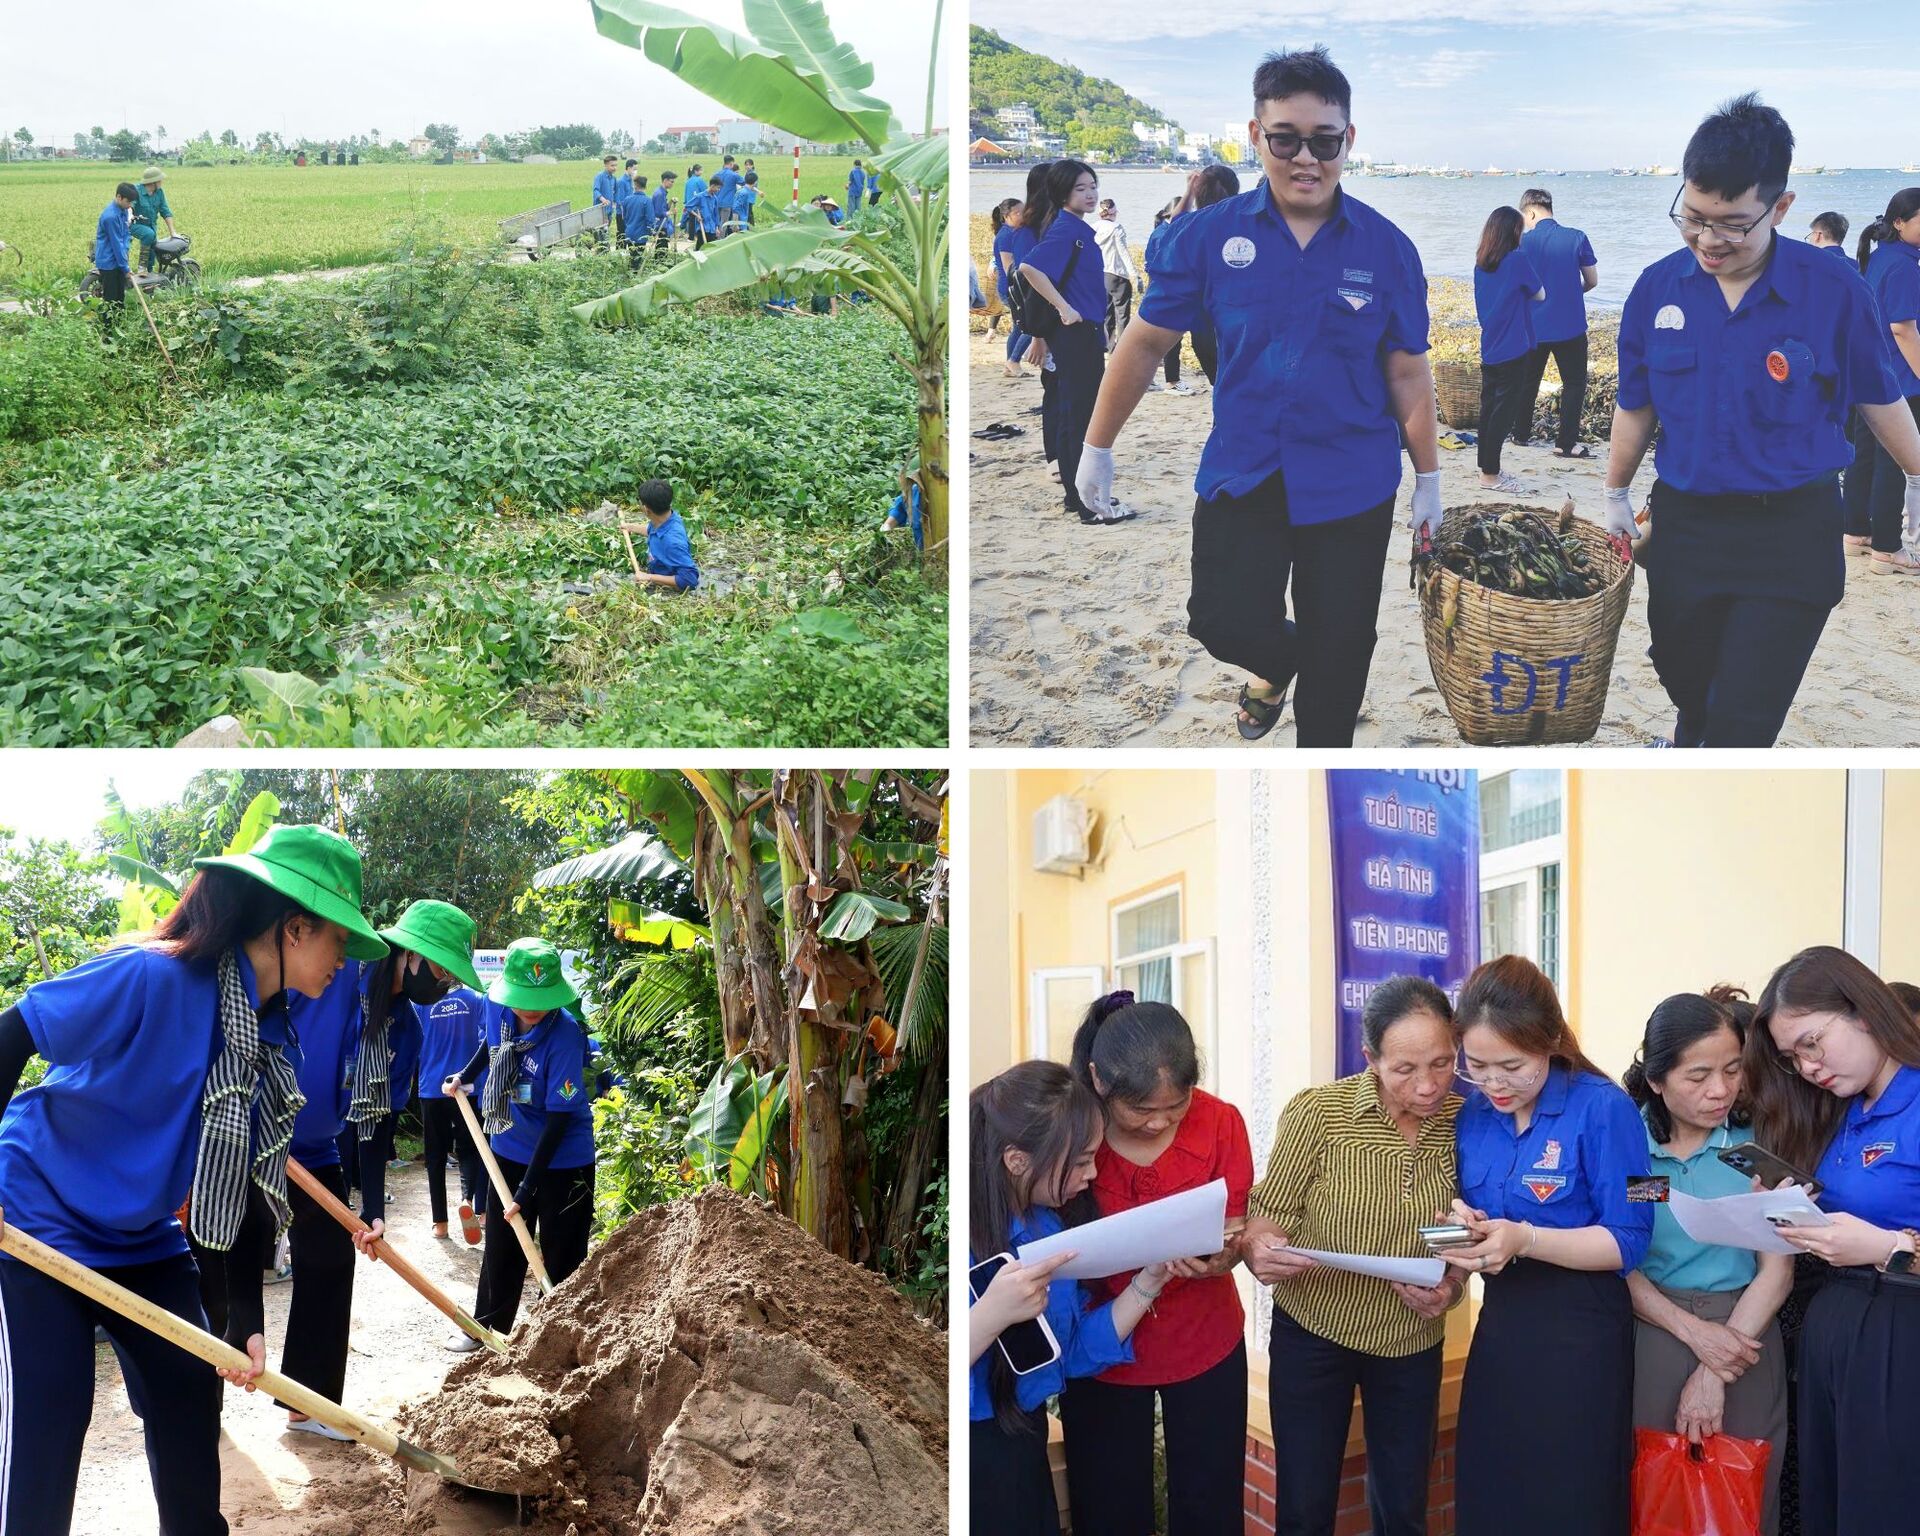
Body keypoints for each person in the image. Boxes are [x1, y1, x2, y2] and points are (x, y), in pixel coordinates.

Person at [0, 823, 387, 1533]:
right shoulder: (151, 975)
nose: (344, 960)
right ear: (295, 929)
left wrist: (243, 1319)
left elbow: (238, 1181)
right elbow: (12, 1033)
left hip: (143, 1238)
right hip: (37, 1218)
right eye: (339, 939)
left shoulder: (268, 1037)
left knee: (186, 1390)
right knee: (52, 1412)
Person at [1077, 46, 1441, 744]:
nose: (1306, 158)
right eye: (1285, 139)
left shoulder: (1388, 249)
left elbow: (1406, 371)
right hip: (1245, 469)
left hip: (1353, 482)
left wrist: (1428, 478)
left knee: (1339, 672)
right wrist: (1097, 445)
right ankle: (1274, 666)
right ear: (1255, 137)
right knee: (1218, 619)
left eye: (1324, 141)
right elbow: (1147, 343)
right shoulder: (1204, 237)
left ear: (1349, 141)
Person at [1604, 94, 1920, 747]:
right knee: (1684, 677)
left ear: (1780, 209)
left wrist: (1919, 473)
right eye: (1692, 217)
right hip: (1685, 527)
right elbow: (1636, 403)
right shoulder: (1656, 289)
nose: (1707, 239)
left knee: (1744, 718)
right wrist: (1614, 493)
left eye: (1731, 224)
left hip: (1792, 533)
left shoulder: (1833, 290)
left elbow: (1879, 397)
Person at [1241, 976, 1467, 1536]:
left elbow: (1462, 1230)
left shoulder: (1467, 1119)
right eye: (1405, 1069)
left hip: (1411, 1338)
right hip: (1315, 1333)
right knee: (1306, 1505)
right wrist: (1259, 1252)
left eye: (1442, 1063)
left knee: (1403, 1505)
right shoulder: (1319, 1113)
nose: (1428, 1085)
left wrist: (1452, 1286)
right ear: (1370, 1058)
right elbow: (1265, 1223)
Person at [1440, 955, 1654, 1536]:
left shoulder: (1607, 1110)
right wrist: (1465, 1224)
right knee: (1495, 1491)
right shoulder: (1473, 1117)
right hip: (1505, 1330)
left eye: (1513, 1066)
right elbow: (1478, 1210)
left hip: (1581, 1337)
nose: (1494, 1083)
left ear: (1551, 1042)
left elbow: (1633, 1237)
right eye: (1477, 1066)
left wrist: (1527, 1238)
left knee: (1570, 1498)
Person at [270, 898, 470, 1437]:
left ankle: (308, 1405)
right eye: (443, 968)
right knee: (226, 1269)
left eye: (452, 975)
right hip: (259, 1134)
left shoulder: (407, 1027)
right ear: (409, 954)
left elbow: (376, 1124)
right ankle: (198, 1406)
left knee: (332, 1262)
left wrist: (374, 1209)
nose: (446, 982)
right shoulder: (336, 968)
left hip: (314, 1149)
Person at [1057, 993, 1253, 1536]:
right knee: (1108, 1503)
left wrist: (1221, 1257)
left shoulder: (1220, 1122)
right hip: (1102, 1346)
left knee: (1210, 1502)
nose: (1159, 1122)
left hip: (1204, 1337)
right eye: (1141, 1110)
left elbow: (1235, 1226)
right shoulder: (1070, 1133)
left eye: (1177, 1106)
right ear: (1099, 1081)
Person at [1743, 946, 1920, 1532]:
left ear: (1863, 1011)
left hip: (1901, 1329)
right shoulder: (1842, 1109)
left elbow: (1883, 1235)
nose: (1809, 1066)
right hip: (1836, 1327)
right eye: (1794, 1058)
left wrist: (1886, 1246)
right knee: (1833, 1503)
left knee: (1885, 1504)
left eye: (1812, 1042)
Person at [968, 1060, 1171, 1536]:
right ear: (1017, 1160)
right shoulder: (964, 1242)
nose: (1093, 1173)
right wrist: (989, 1316)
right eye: (1080, 1160)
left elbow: (1073, 1352)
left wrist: (1150, 1281)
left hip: (1024, 1437)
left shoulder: (1049, 1229)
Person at [1623, 987, 1791, 1534]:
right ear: (1656, 1080)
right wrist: (1695, 1335)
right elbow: (1625, 1261)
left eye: (1732, 1070)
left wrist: (1715, 1367)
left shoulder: (1754, 1146)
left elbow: (1776, 1271)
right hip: (1655, 1330)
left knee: (1744, 1492)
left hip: (1748, 1329)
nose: (1719, 1090)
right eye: (1697, 1077)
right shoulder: (1631, 1152)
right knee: (1656, 1490)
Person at [443, 938, 597, 1346]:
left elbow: (560, 1116)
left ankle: (563, 1341)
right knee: (501, 1247)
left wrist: (526, 1191)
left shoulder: (566, 1035)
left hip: (563, 1159)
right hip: (509, 1145)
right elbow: (491, 1047)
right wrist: (464, 1074)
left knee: (564, 1255)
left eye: (540, 999)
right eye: (523, 998)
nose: (530, 1009)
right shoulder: (498, 1007)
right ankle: (486, 1330)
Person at [1018, 160, 1137, 528]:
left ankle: (1078, 496)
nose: (1090, 194)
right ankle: (1087, 503)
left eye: (1092, 186)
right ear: (1062, 194)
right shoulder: (1067, 229)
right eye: (1080, 189)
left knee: (1077, 414)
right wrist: (1064, 308)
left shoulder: (1075, 227)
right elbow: (1029, 268)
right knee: (1081, 417)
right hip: (1075, 333)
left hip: (1083, 333)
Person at [1846, 189, 1920, 573]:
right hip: (1902, 378)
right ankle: (1889, 548)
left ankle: (1857, 531)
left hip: (1872, 372)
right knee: (1898, 460)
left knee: (1867, 454)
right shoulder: (1905, 265)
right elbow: (1903, 329)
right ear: (1899, 222)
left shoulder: (1880, 257)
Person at [1513, 187, 1599, 457]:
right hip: (1570, 324)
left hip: (1533, 326)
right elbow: (1592, 281)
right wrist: (1572, 293)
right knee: (1573, 384)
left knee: (1528, 382)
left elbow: (1514, 285)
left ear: (1531, 212)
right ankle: (1566, 444)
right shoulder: (1576, 237)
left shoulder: (1521, 243)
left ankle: (1521, 435)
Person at [1144, 166, 1239, 394]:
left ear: (1199, 193)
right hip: (1232, 325)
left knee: (1220, 386)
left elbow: (1175, 219)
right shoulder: (1240, 223)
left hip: (1203, 327)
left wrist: (1189, 190)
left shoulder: (1189, 226)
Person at [1472, 205, 1548, 494]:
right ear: (1512, 232)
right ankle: (1490, 475)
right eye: (1520, 230)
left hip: (1490, 345)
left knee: (1489, 410)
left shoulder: (1481, 263)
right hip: (1514, 347)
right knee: (1502, 415)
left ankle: (1486, 467)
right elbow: (1541, 294)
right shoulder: (1517, 261)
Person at [417, 967, 489, 1247]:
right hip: (467, 1086)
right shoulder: (475, 999)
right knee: (470, 1151)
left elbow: (414, 1041)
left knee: (435, 1157)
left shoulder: (422, 1002)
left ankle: (440, 1224)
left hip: (432, 1086)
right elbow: (487, 1039)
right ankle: (468, 1200)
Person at [632, 478, 699, 591]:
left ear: (647, 510)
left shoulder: (673, 542)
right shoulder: (666, 517)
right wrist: (631, 527)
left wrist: (648, 577)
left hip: (666, 586)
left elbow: (690, 580)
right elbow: (652, 530)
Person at [989, 197, 1031, 378]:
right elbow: (1009, 267)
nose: (1022, 215)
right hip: (1012, 288)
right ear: (1006, 216)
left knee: (1018, 326)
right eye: (1017, 213)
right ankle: (1013, 361)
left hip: (1014, 287)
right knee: (1030, 326)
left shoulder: (1015, 232)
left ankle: (1010, 366)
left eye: (1024, 211)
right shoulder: (1006, 235)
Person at [1094, 197, 1138, 353]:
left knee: (1106, 313)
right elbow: (1123, 252)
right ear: (1113, 212)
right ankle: (1122, 349)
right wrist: (1135, 275)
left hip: (1101, 274)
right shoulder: (1116, 228)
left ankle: (1108, 346)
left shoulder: (1094, 227)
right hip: (1118, 275)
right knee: (1122, 314)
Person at [93, 181, 136, 314]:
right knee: (111, 300)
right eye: (128, 202)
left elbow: (125, 235)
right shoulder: (110, 217)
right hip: (108, 262)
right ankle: (107, 331)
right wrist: (125, 268)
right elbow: (117, 244)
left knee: (120, 298)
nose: (130, 205)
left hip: (118, 260)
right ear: (119, 197)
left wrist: (125, 258)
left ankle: (119, 328)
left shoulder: (123, 210)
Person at [130, 165, 178, 276]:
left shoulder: (159, 192)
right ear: (153, 182)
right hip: (134, 224)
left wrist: (173, 232)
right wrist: (129, 215)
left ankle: (149, 278)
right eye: (160, 180)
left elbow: (165, 211)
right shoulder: (136, 191)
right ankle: (142, 267)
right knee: (148, 234)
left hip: (151, 225)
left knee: (152, 251)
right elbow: (130, 207)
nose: (161, 182)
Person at [616, 174, 653, 269]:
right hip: (641, 235)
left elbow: (624, 217)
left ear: (634, 185)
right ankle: (634, 278)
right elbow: (650, 220)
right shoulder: (647, 201)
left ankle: (630, 275)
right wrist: (651, 232)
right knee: (637, 260)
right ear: (645, 186)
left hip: (629, 233)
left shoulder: (627, 200)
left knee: (632, 257)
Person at [592, 154, 622, 244]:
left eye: (616, 165)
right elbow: (595, 190)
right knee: (600, 233)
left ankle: (605, 250)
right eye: (612, 165)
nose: (614, 168)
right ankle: (601, 250)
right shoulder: (600, 176)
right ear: (605, 165)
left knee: (606, 231)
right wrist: (603, 199)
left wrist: (617, 204)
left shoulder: (614, 179)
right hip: (599, 210)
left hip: (609, 211)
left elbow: (616, 193)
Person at [649, 171, 677, 254]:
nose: (672, 184)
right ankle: (660, 264)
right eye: (671, 182)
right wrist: (671, 212)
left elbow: (664, 207)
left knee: (662, 247)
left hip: (663, 223)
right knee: (662, 248)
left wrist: (671, 202)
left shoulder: (662, 192)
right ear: (665, 180)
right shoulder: (660, 194)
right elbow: (658, 212)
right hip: (660, 225)